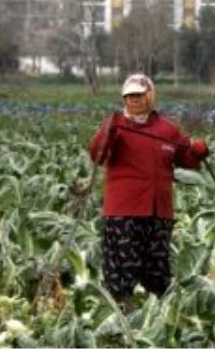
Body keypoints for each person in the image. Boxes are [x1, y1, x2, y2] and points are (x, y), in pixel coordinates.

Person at [88, 73, 208, 305]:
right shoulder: (116, 125)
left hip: (158, 213)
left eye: (139, 95)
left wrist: (198, 151)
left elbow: (186, 157)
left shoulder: (167, 129)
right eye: (129, 96)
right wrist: (108, 132)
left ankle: (156, 318)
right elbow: (98, 155)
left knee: (157, 271)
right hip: (124, 213)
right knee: (121, 273)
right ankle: (119, 319)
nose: (134, 100)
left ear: (150, 96)